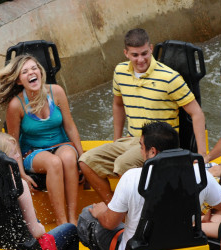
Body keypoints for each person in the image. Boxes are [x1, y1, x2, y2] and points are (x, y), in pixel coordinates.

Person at [77, 122, 221, 250]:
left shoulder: (131, 178)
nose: (140, 152)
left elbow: (111, 223)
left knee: (87, 218)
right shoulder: (200, 175)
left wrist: (102, 211)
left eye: (141, 147)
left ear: (153, 152)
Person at [78, 28, 207, 203]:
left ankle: (142, 210)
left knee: (123, 164)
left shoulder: (170, 78)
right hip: (132, 140)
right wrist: (116, 140)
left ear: (151, 48)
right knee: (86, 161)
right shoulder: (120, 72)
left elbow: (196, 113)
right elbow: (118, 105)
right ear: (126, 53)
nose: (141, 60)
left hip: (161, 145)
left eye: (144, 53)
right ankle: (115, 209)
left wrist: (202, 155)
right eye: (135, 55)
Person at [0, 54, 84, 226]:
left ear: (40, 71)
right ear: (19, 81)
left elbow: (70, 126)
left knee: (67, 158)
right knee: (54, 163)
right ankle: (62, 223)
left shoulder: (56, 91)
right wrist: (20, 173)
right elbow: (13, 142)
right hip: (33, 151)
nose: (31, 72)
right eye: (25, 71)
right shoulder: (16, 105)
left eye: (34, 68)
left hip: (62, 144)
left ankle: (72, 219)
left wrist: (82, 158)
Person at [0, 132, 79, 250]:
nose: (18, 156)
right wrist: (42, 228)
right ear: (3, 158)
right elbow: (35, 233)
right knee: (71, 230)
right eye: (14, 153)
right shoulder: (19, 186)